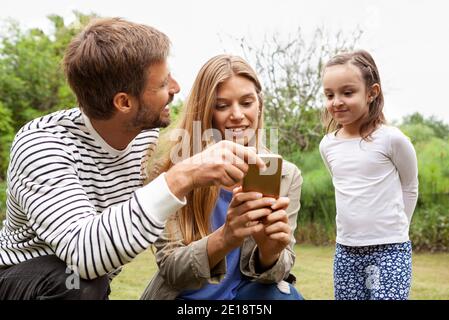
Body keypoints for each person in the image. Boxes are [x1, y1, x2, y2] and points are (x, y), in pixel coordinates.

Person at [0, 19, 265, 300]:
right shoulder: (43, 145)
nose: (175, 88)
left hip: (86, 284)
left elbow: (205, 136)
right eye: (163, 83)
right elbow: (84, 255)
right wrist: (182, 176)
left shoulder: (147, 142)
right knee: (76, 281)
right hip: (17, 277)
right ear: (124, 102)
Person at [140, 54, 304, 300]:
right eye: (222, 105)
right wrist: (227, 237)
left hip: (245, 296)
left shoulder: (285, 175)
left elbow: (279, 270)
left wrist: (268, 255)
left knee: (286, 297)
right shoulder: (175, 172)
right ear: (205, 110)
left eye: (246, 102)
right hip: (186, 299)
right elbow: (173, 270)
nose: (237, 114)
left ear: (259, 104)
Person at [319, 50, 419, 300]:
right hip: (346, 250)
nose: (337, 101)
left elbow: (410, 187)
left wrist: (397, 229)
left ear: (372, 92)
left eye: (347, 92)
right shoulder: (327, 145)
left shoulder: (392, 139)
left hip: (391, 249)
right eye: (329, 95)